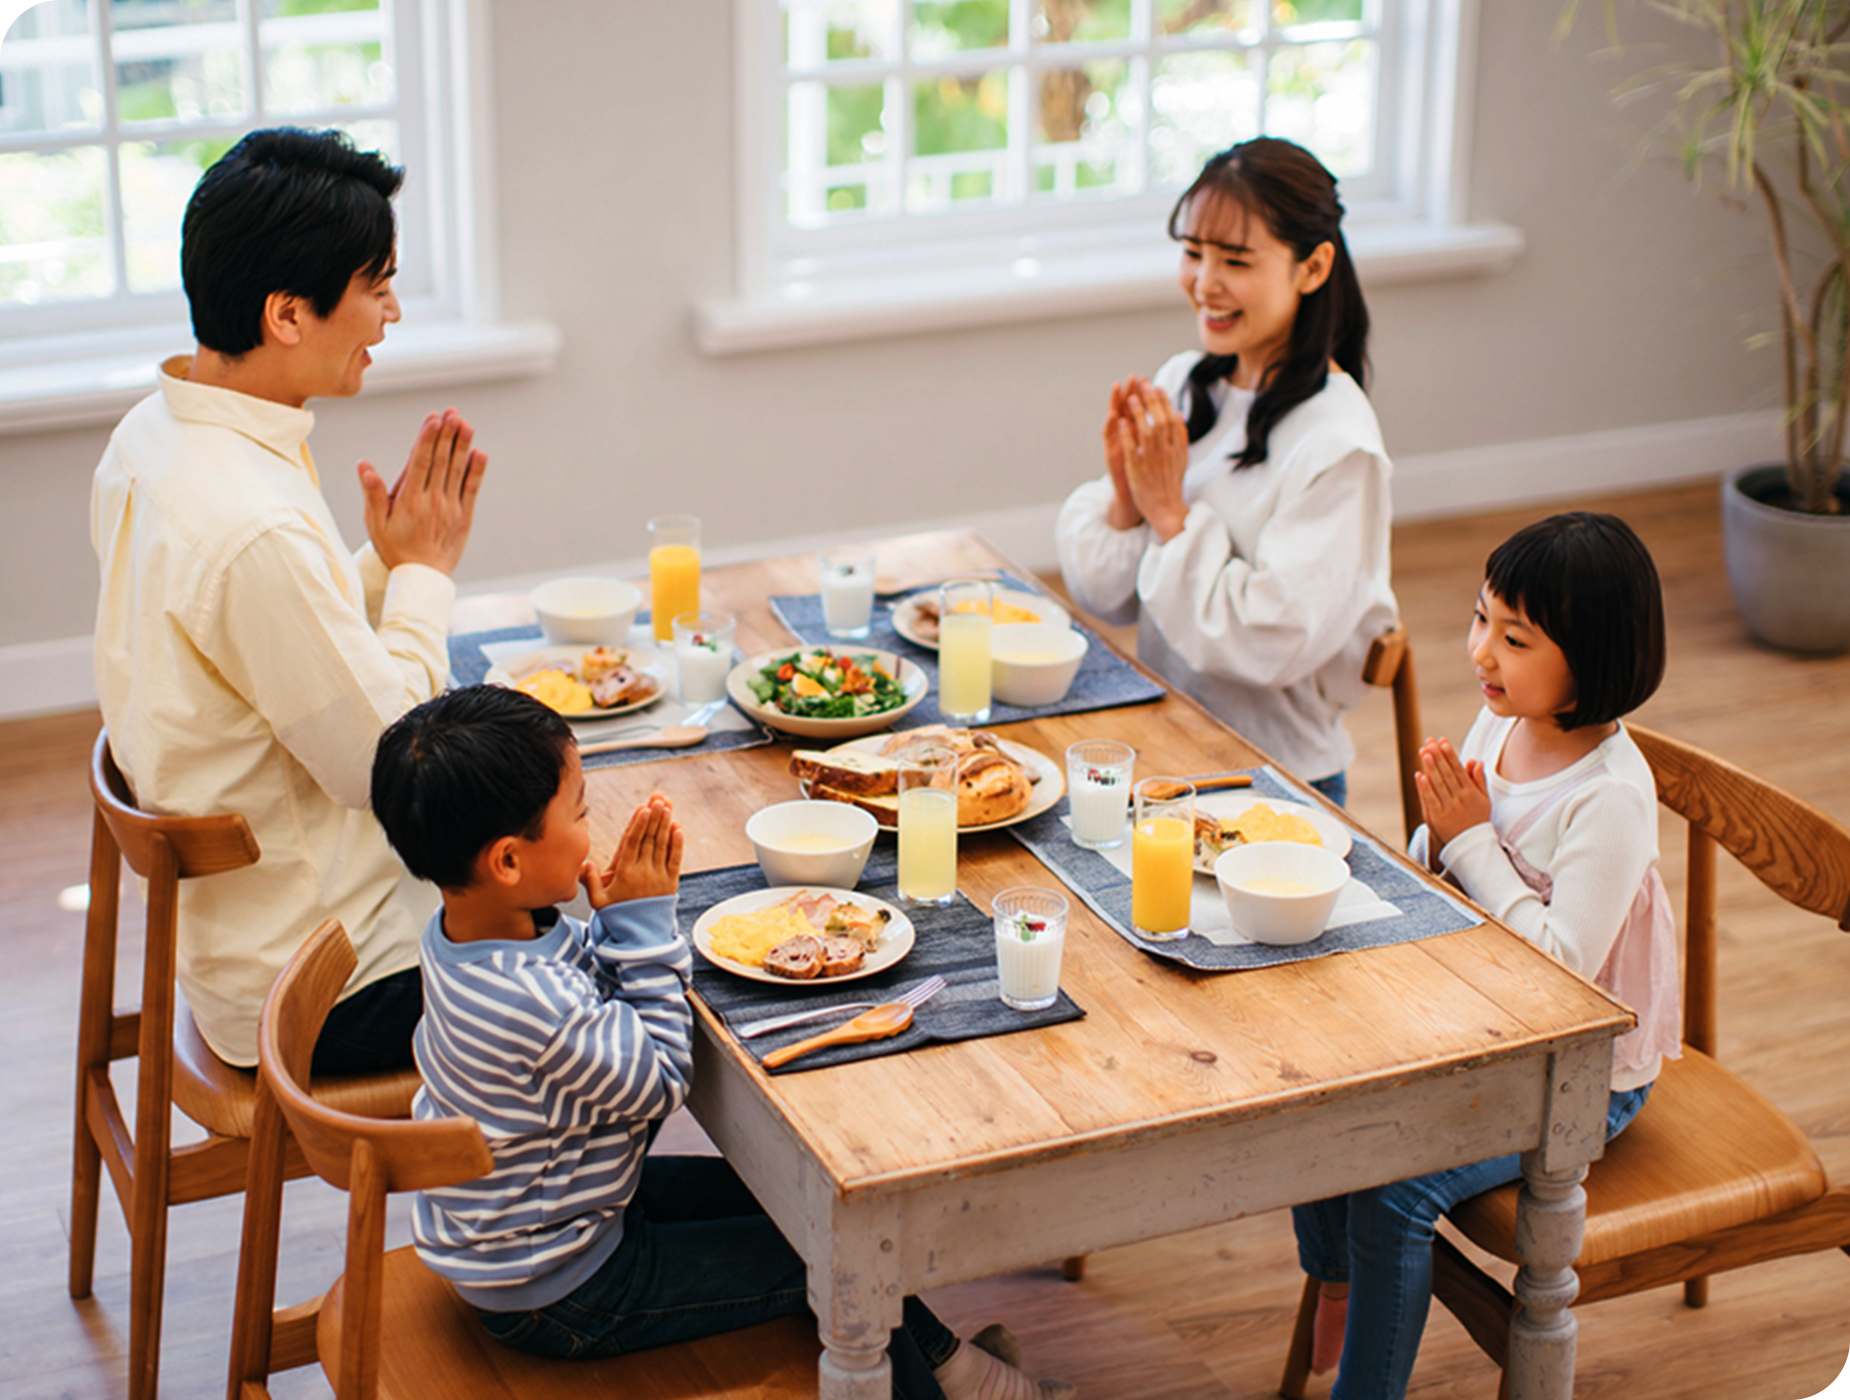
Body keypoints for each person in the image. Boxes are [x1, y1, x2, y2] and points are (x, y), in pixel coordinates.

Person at [368, 684, 1075, 1400]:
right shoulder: (525, 1000)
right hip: (564, 1286)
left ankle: (958, 1373)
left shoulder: (468, 933)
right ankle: (981, 1389)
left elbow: (587, 999)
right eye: (579, 811)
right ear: (510, 863)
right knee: (841, 1262)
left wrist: (616, 927)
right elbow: (659, 1081)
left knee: (808, 1208)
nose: (593, 827)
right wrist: (644, 925)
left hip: (545, 1221)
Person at [90, 127, 487, 1072]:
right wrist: (428, 571)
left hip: (239, 950)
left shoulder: (153, 438)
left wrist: (384, 566)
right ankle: (574, 1219)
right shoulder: (251, 519)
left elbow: (261, 642)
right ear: (287, 314)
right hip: (327, 985)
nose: (390, 314)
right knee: (613, 934)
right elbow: (391, 767)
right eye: (376, 284)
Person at [1291, 512, 1681, 1399]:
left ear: (1596, 654)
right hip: (1482, 1020)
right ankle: (1339, 1277)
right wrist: (1434, 839)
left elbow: (1562, 968)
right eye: (1480, 621)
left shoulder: (1610, 797)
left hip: (1577, 1073)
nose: (1482, 654)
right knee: (1311, 1100)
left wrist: (1466, 844)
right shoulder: (1498, 725)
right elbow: (1447, 869)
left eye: (1515, 638)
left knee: (1393, 1197)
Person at [1055, 137, 1396, 806]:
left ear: (1314, 266)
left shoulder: (1338, 443)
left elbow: (1274, 641)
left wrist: (1172, 520)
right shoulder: (1187, 381)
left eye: (1235, 260)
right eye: (1192, 253)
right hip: (1162, 747)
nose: (1204, 283)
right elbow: (1106, 597)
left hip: (1274, 780)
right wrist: (1127, 497)